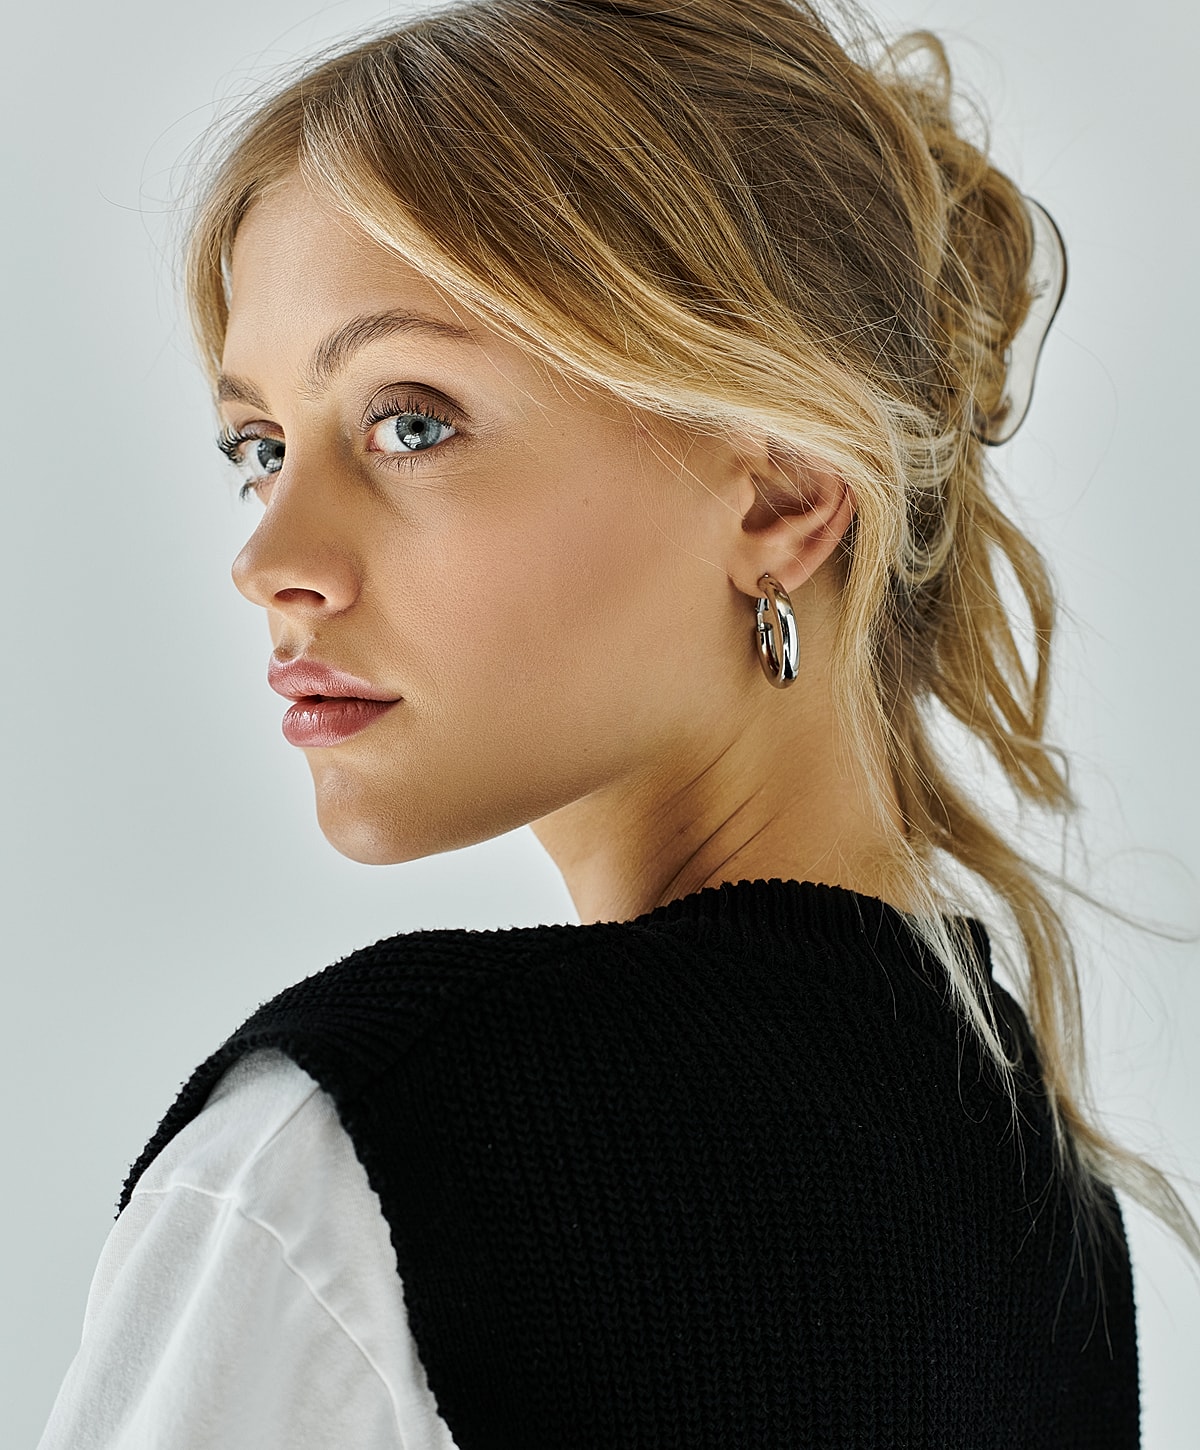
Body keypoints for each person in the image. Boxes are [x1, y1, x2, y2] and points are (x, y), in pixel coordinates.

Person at [35, 0, 1199, 1445]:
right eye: (259, 448)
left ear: (779, 495)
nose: (272, 555)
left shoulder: (365, 1156)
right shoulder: (1037, 1194)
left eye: (413, 420)